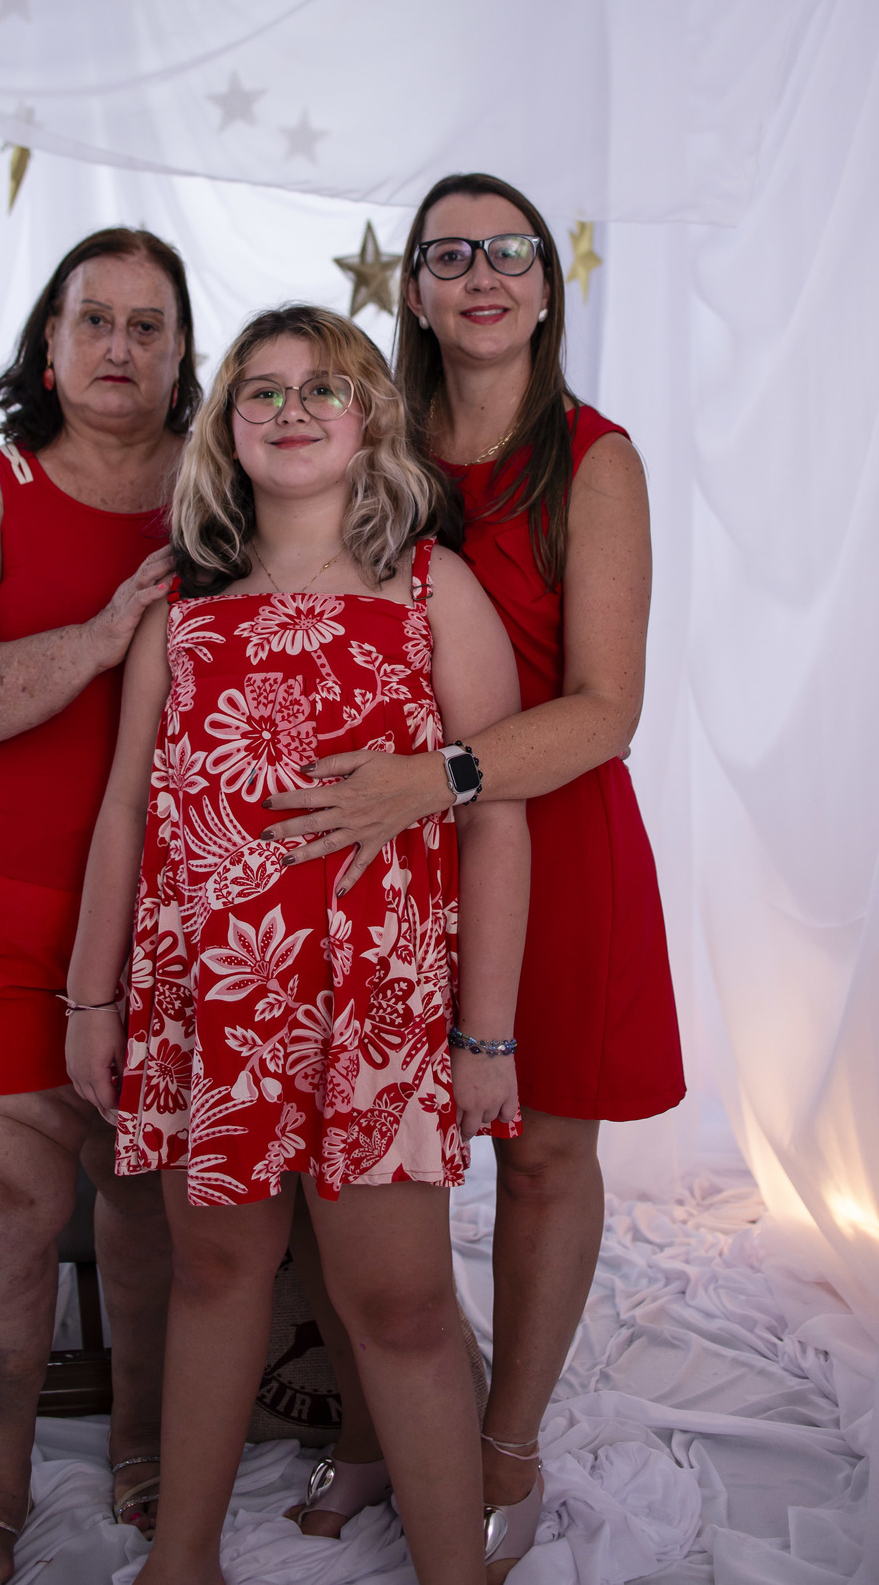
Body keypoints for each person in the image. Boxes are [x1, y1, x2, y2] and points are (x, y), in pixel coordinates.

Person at [65, 304, 530, 1585]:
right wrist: (93, 1002)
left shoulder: (432, 588)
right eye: (259, 391)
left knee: (402, 1302)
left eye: (322, 387)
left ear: (372, 421)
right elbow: (125, 810)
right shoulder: (183, 608)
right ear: (224, 430)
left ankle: (452, 1569)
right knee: (216, 1271)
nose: (290, 410)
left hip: (377, 1003)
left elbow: (498, 817)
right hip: (213, 1002)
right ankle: (181, 1562)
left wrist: (486, 1034)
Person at [265, 175, 686, 1579]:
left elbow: (609, 707)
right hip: (374, 849)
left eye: (512, 251)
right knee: (362, 1154)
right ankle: (384, 1414)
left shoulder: (595, 461)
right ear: (417, 291)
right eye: (452, 255)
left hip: (549, 833)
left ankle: (505, 1437)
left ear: (549, 287)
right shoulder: (369, 436)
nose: (485, 275)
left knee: (545, 1152)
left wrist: (437, 778)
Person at [0, 227, 199, 1585]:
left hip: (177, 923)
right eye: (94, 320)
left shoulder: (230, 486)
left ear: (183, 352)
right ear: (50, 348)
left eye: (148, 324)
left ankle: (148, 1445)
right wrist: (98, 639)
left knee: (158, 1207)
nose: (120, 346)